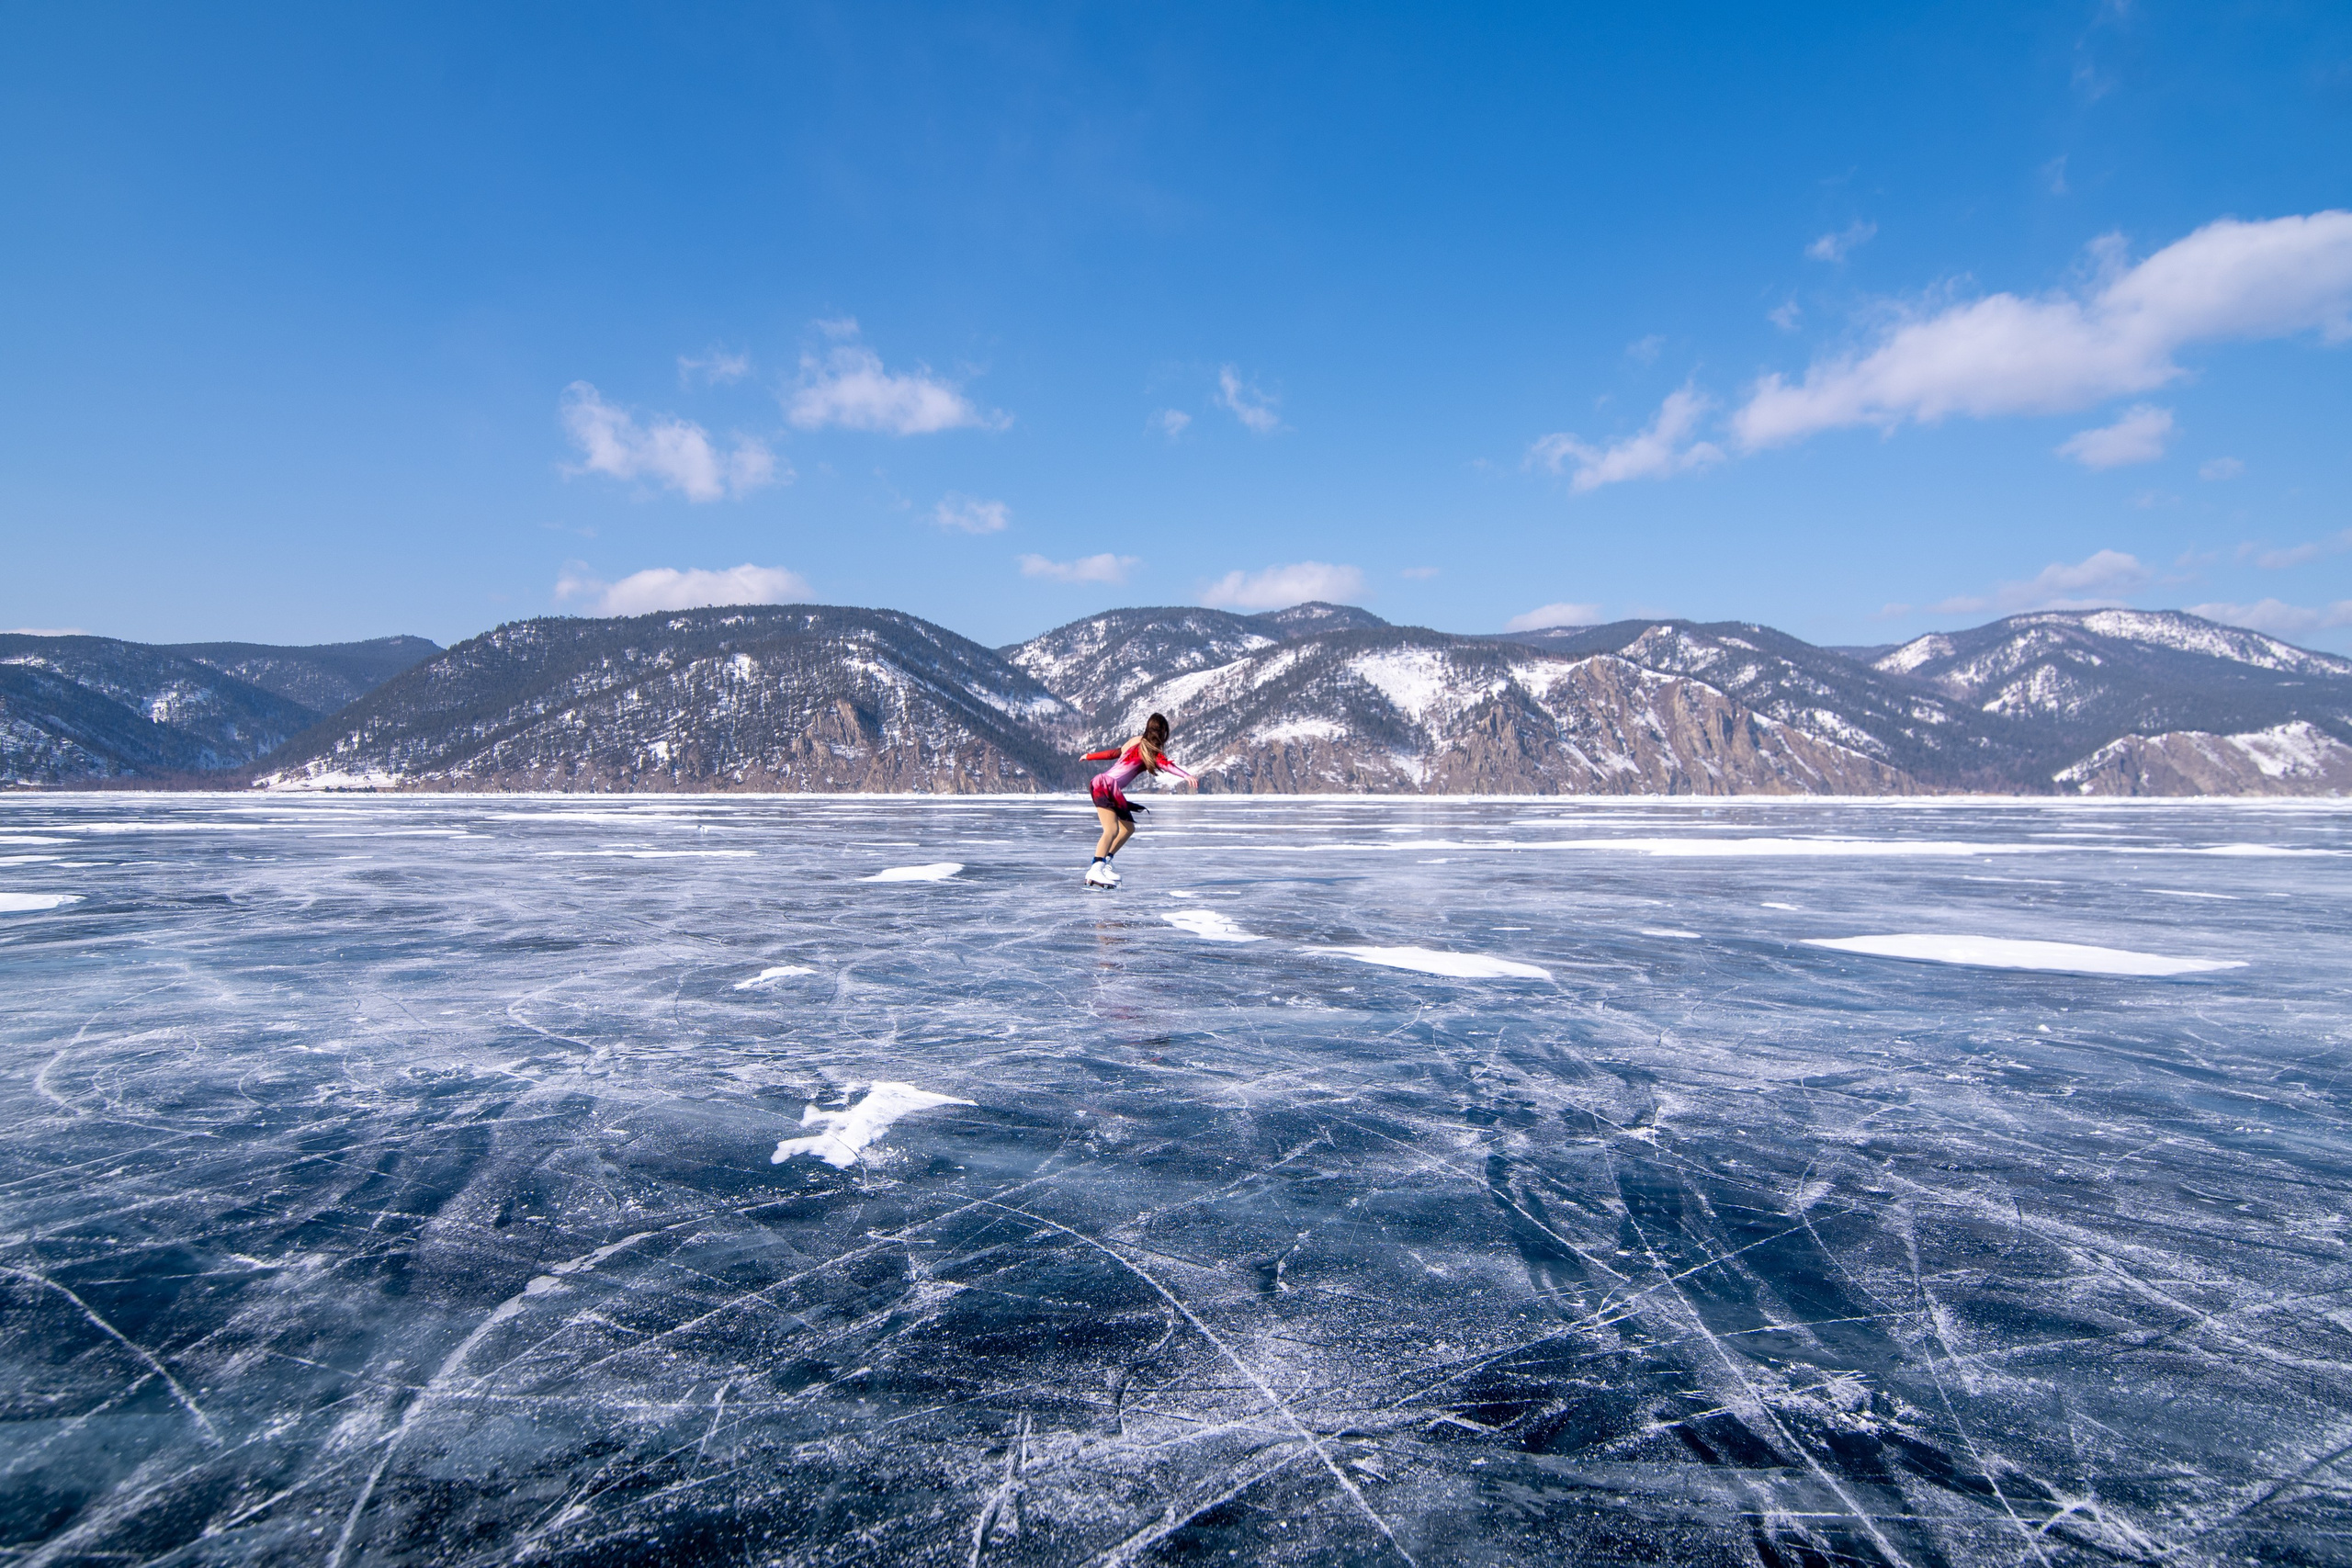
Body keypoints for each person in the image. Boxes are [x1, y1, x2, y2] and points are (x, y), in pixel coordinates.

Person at [1081, 712, 1193, 886]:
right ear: (1163, 733)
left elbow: (1114, 753)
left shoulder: (1136, 741)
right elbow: (1168, 766)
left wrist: (1090, 756)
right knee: (1111, 830)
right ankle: (1095, 869)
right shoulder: (1150, 751)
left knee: (1127, 828)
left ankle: (1103, 865)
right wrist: (1186, 775)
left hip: (1106, 784)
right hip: (1105, 785)